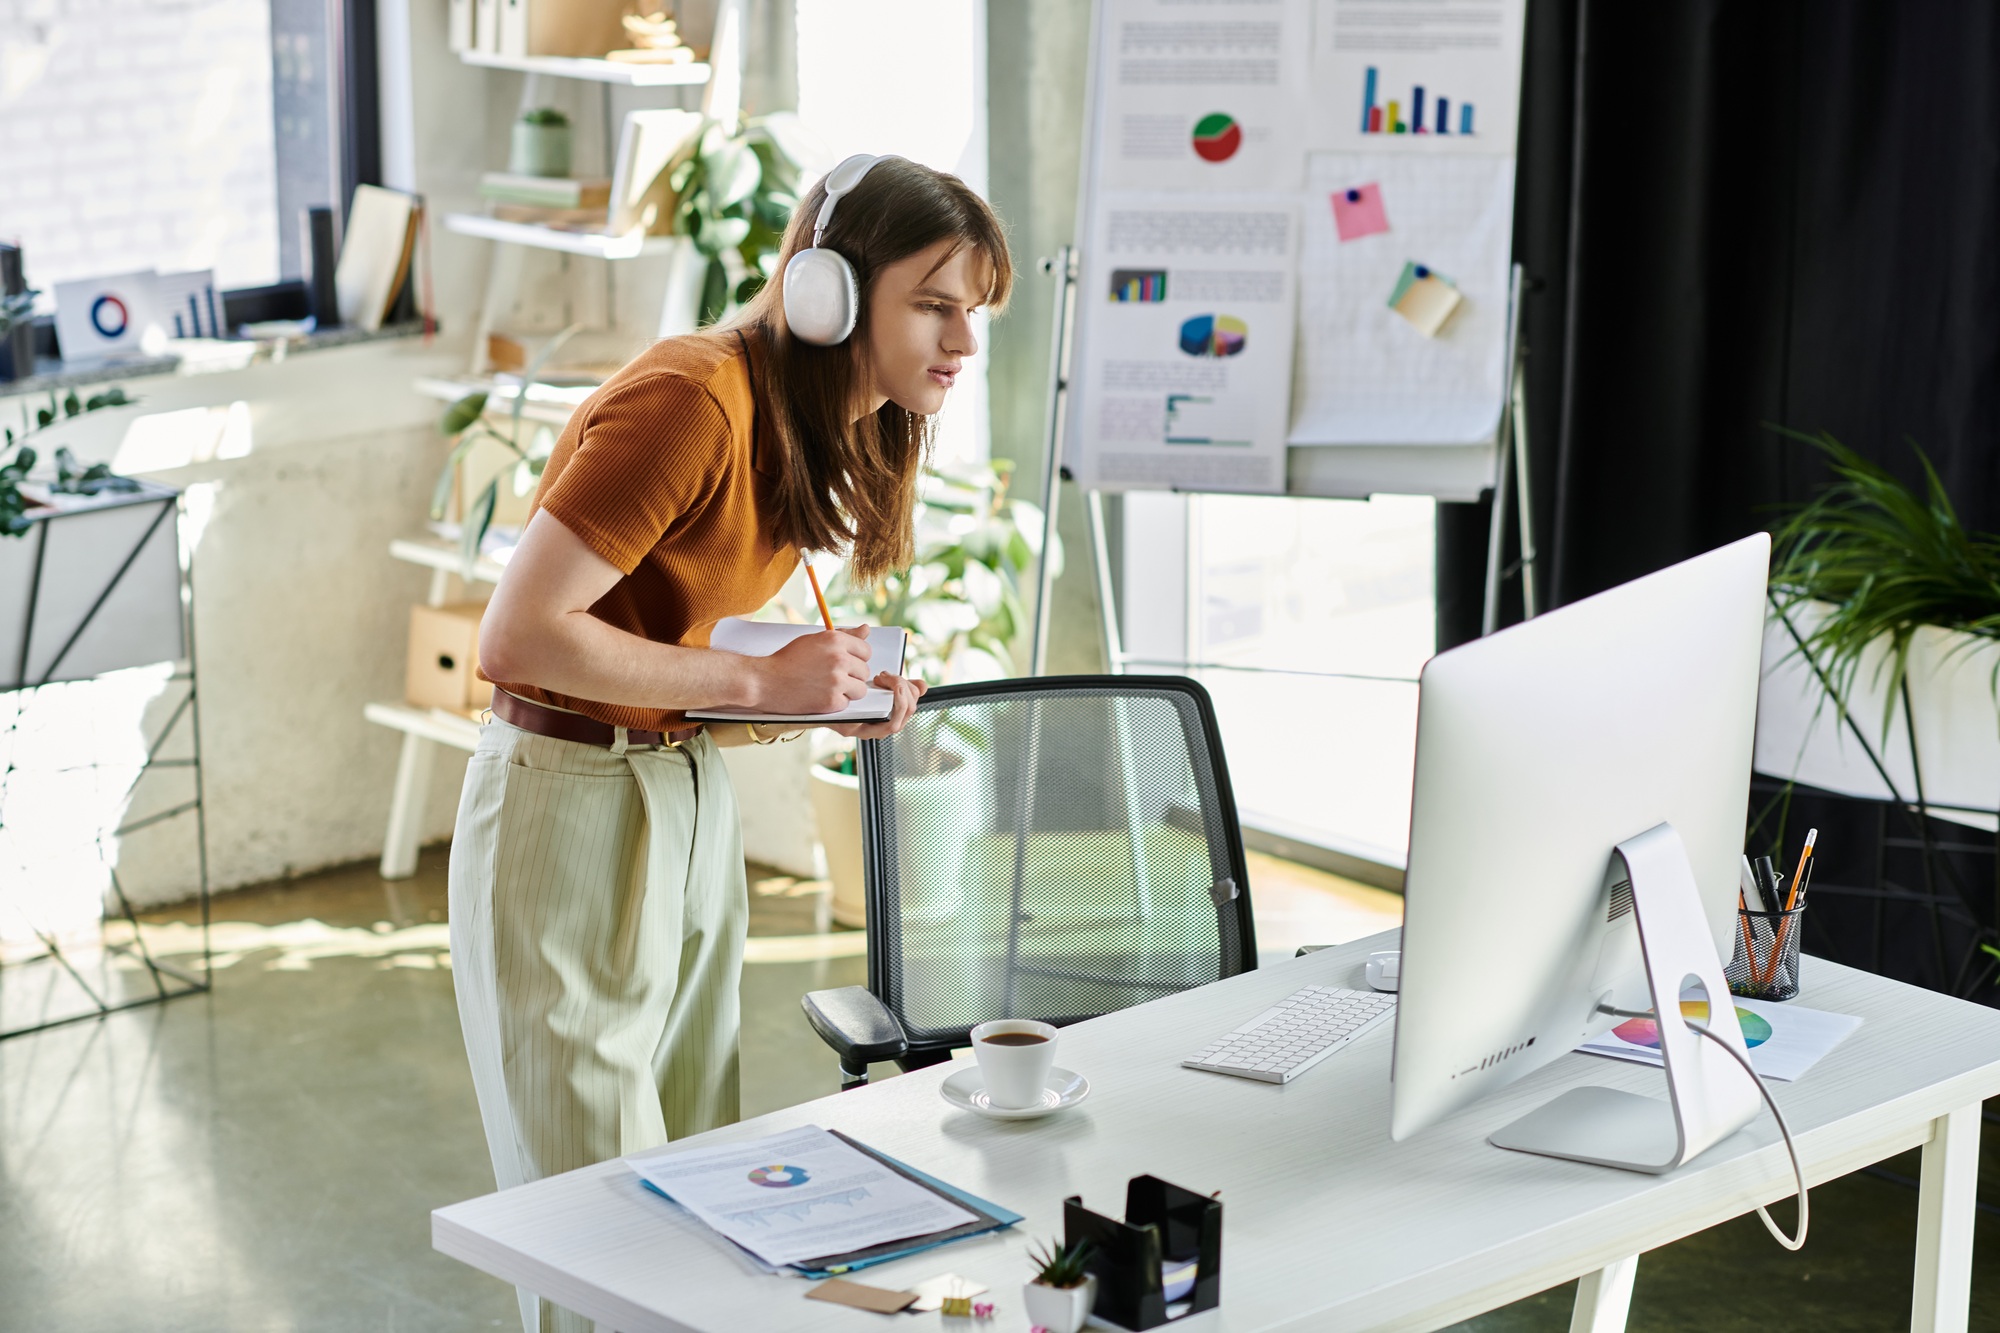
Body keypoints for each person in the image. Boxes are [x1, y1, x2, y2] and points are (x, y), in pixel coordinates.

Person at [447, 155, 1014, 1333]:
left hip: (676, 791)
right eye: (933, 302)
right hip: (565, 800)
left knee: (700, 1188)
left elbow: (668, 649)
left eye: (977, 310)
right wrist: (760, 672)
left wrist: (815, 692)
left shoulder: (819, 422)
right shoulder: (693, 400)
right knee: (599, 1222)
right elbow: (519, 636)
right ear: (829, 292)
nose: (963, 339)